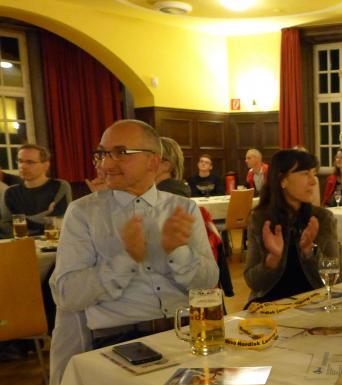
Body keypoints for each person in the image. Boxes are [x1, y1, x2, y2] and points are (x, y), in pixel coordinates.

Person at [49, 119, 218, 350]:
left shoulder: (182, 208)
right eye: (103, 154)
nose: (106, 164)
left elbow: (207, 284)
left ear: (153, 161)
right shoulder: (83, 213)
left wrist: (178, 252)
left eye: (120, 153)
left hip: (187, 330)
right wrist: (125, 258)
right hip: (121, 338)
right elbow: (67, 295)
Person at [244, 149, 338, 305]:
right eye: (305, 174)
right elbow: (254, 283)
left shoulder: (323, 219)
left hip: (316, 304)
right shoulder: (261, 219)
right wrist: (273, 259)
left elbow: (335, 277)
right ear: (283, 180)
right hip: (270, 306)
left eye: (313, 173)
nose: (313, 181)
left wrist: (309, 252)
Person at [1, 144, 70, 237]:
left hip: (52, 241)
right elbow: (6, 227)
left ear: (45, 165)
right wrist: (46, 214)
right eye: (20, 161)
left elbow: (60, 221)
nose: (22, 166)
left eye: (30, 162)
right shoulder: (10, 192)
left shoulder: (60, 186)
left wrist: (22, 222)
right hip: (22, 243)